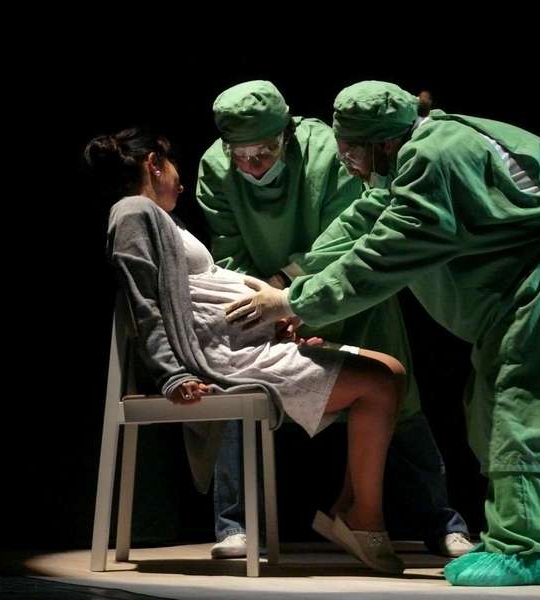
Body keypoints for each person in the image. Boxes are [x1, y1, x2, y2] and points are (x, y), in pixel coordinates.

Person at [226, 81, 540, 586]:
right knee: (491, 400)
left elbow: (383, 255)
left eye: (353, 152)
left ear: (383, 142)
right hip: (522, 267)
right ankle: (532, 534)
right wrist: (288, 281)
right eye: (342, 150)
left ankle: (524, 547)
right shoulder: (413, 150)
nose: (349, 163)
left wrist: (295, 303)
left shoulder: (434, 156)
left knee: (518, 400)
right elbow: (364, 219)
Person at [85, 127, 407, 574]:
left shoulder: (161, 218)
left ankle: (349, 509)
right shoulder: (132, 212)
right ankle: (364, 519)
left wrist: (273, 327)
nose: (182, 182)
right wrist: (172, 374)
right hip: (225, 359)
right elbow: (144, 303)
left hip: (246, 346)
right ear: (154, 163)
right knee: (379, 383)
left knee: (390, 368)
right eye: (172, 165)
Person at [196, 80, 471, 559]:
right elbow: (228, 252)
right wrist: (268, 309)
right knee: (236, 390)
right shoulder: (215, 169)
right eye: (240, 156)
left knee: (399, 397)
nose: (252, 165)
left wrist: (291, 295)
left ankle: (440, 522)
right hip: (265, 300)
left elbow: (350, 236)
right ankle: (233, 524)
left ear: (287, 133)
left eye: (263, 153)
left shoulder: (329, 151)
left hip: (349, 290)